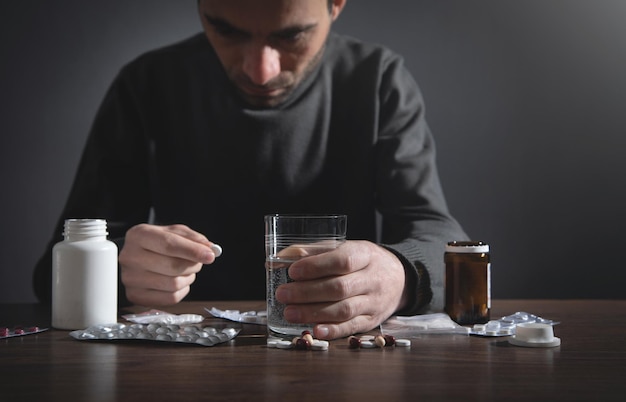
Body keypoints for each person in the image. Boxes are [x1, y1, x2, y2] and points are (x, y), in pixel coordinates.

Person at [33, 0, 468, 340]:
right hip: (179, 360)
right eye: (226, 30)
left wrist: (399, 274)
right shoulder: (146, 84)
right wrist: (115, 271)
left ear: (335, 5)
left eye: (293, 35)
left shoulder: (378, 80)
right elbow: (51, 269)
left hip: (332, 354)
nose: (260, 71)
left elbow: (440, 239)